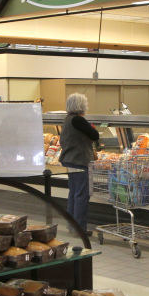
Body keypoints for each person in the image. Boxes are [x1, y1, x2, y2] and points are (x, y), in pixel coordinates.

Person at [59, 93, 98, 233]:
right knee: (82, 194)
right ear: (81, 105)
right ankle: (80, 228)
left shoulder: (68, 119)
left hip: (69, 160)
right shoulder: (78, 120)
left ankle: (72, 226)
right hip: (79, 160)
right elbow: (95, 135)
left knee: (74, 193)